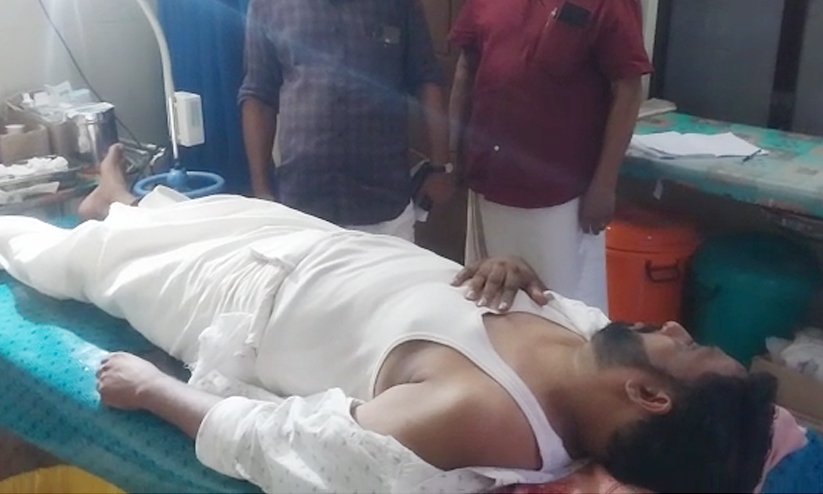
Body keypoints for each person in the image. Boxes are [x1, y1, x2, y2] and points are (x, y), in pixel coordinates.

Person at [0, 146, 776, 494]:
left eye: (685, 349)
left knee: (64, 262)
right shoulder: (593, 343)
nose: (673, 329)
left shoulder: (475, 418)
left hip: (243, 298)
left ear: (648, 396)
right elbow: (517, 305)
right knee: (179, 216)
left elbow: (277, 444)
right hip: (317, 244)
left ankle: (92, 216)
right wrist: (508, 270)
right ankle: (116, 200)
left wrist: (152, 390)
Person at [449, 0, 653, 311]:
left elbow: (627, 88)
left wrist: (604, 185)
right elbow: (466, 67)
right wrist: (455, 153)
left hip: (558, 196)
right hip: (488, 179)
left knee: (556, 311)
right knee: (487, 304)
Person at [240, 0, 456, 242]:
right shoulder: (268, 5)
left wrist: (440, 166)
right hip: (302, 207)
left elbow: (427, 79)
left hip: (385, 210)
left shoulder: (399, 4)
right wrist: (261, 190)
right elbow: (258, 95)